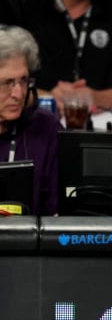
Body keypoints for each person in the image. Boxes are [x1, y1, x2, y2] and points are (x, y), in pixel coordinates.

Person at [0, 26, 63, 215]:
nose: (18, 94)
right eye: (7, 83)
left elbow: (60, 215)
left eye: (23, 80)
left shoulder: (47, 129)